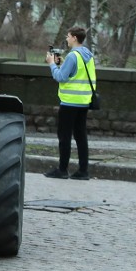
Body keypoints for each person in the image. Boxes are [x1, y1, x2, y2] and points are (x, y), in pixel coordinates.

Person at [43, 26, 96, 180]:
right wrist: (62, 63)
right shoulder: (87, 54)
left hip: (69, 102)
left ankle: (62, 169)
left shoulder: (73, 56)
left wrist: (52, 63)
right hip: (84, 101)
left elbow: (60, 77)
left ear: (74, 37)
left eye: (68, 36)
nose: (66, 39)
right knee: (81, 136)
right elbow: (76, 73)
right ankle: (83, 171)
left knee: (64, 135)